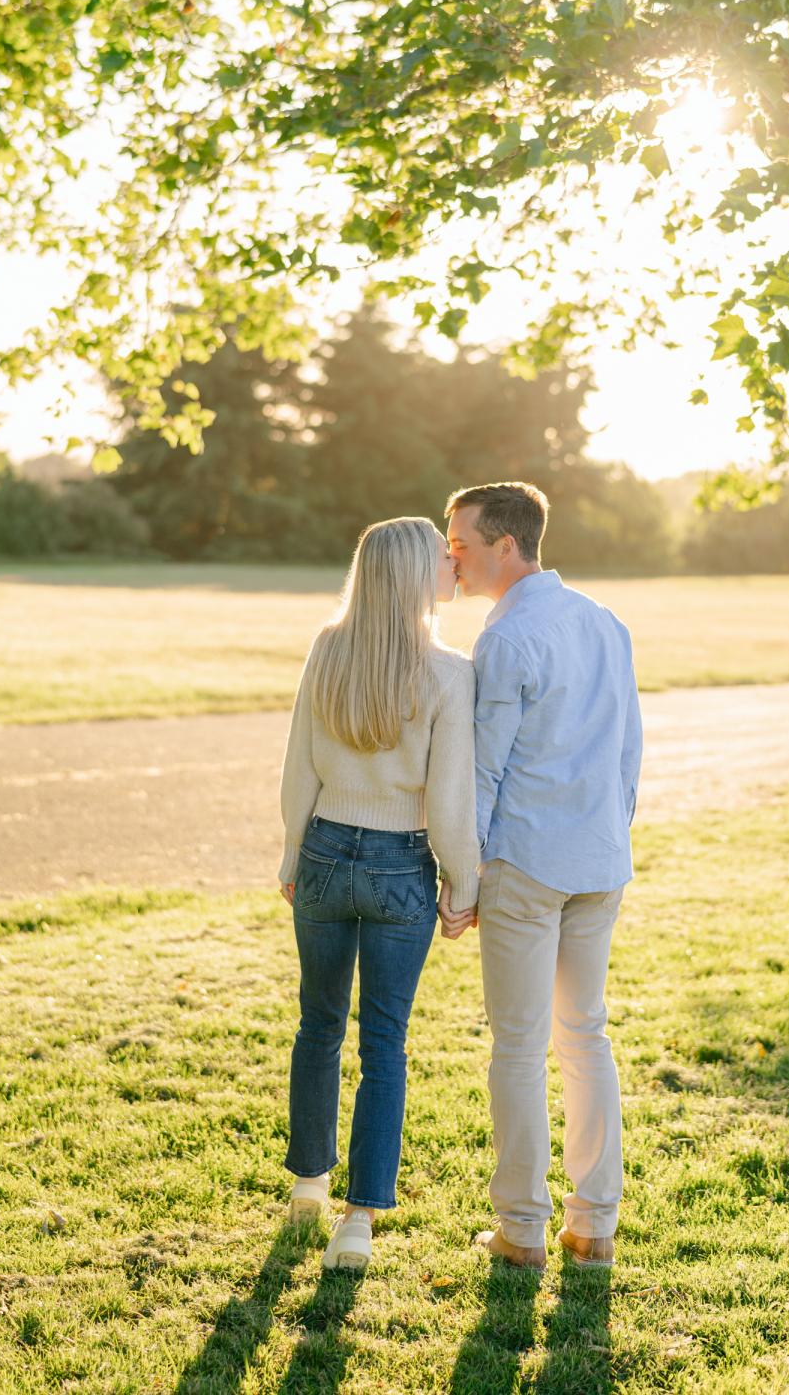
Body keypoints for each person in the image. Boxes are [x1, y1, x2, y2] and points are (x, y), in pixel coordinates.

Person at [441, 481, 642, 1271]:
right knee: (584, 1035)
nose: (451, 555)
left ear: (505, 546)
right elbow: (630, 751)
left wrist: (464, 879)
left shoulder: (506, 640)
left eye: (460, 542)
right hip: (599, 859)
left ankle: (521, 1229)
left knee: (521, 1048)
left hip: (526, 864)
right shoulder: (604, 622)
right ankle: (594, 1223)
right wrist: (608, 833)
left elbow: (482, 775)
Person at [277, 516, 481, 1272]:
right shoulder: (450, 673)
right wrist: (464, 881)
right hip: (401, 866)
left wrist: (292, 851)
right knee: (383, 1044)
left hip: (326, 852)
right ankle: (358, 1220)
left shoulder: (327, 648)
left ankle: (309, 1183)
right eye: (442, 556)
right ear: (410, 574)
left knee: (319, 1025)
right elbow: (450, 802)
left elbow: (299, 765)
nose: (454, 564)